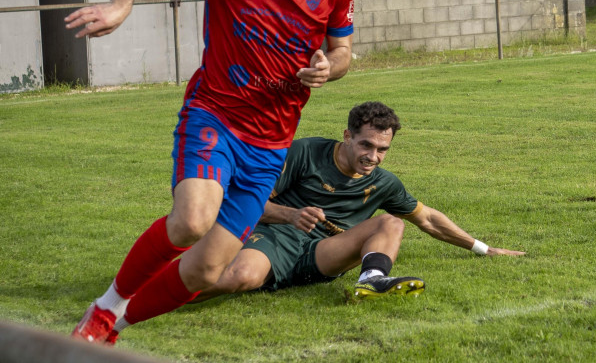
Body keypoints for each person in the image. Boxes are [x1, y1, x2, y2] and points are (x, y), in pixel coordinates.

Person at [66, 0, 355, 345]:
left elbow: (342, 51)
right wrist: (121, 6)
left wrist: (329, 67)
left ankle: (110, 328)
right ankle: (105, 306)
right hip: (215, 115)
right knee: (192, 221)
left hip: (271, 143)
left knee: (204, 269)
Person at [195, 101, 525, 303]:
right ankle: (159, 294)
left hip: (323, 256)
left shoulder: (384, 183)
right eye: (366, 145)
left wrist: (484, 249)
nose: (373, 156)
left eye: (382, 149)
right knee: (241, 277)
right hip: (276, 238)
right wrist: (291, 215)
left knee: (392, 222)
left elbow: (428, 219)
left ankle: (371, 279)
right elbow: (244, 202)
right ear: (347, 135)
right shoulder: (306, 152)